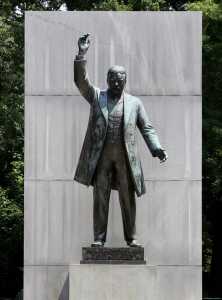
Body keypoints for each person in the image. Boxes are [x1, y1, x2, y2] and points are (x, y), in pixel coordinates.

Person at [74, 34, 168, 247]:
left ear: (125, 80)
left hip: (126, 158)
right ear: (107, 80)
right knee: (100, 198)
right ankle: (98, 239)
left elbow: (146, 127)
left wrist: (157, 148)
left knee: (128, 198)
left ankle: (131, 238)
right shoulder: (97, 96)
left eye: (120, 78)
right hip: (101, 157)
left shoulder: (134, 102)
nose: (116, 81)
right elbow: (81, 82)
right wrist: (81, 54)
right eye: (113, 78)